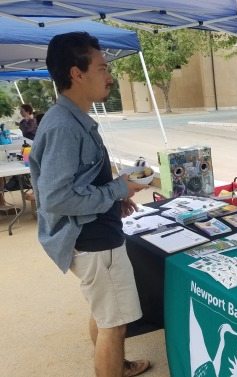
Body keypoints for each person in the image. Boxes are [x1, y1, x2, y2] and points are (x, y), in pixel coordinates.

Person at [29, 32, 151, 377]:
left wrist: (114, 201)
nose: (110, 76)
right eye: (102, 68)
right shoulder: (64, 126)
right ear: (76, 73)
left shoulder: (74, 119)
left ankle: (119, 366)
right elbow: (55, 197)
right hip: (93, 242)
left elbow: (81, 184)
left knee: (104, 315)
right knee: (114, 325)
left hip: (97, 232)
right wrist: (115, 192)